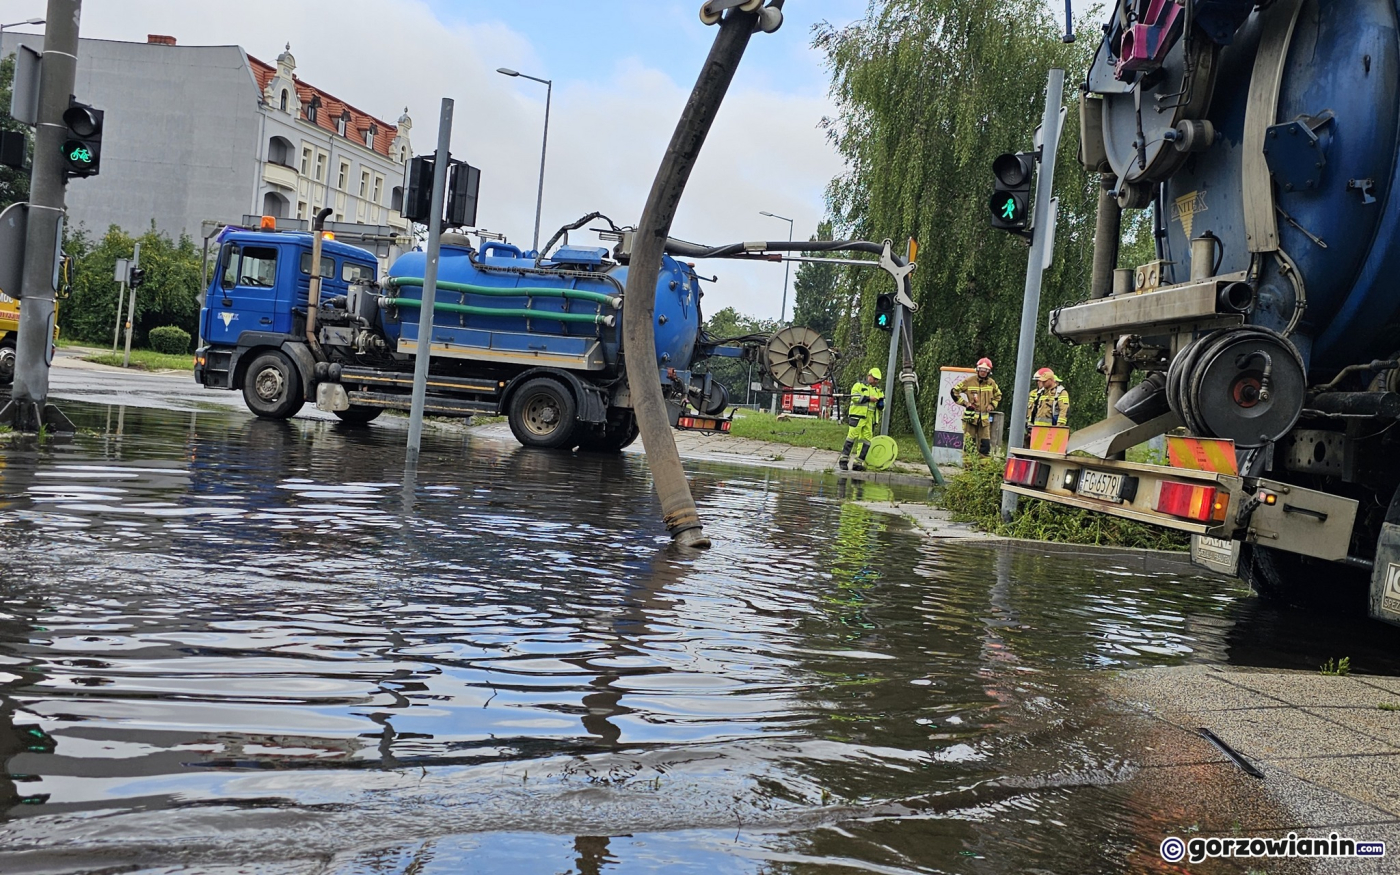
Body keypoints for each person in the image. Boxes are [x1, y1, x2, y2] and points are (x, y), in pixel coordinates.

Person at [952, 358, 1001, 462]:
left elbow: (998, 395)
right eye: (981, 370)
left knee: (985, 446)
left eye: (985, 370)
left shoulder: (991, 383)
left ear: (989, 372)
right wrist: (965, 403)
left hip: (984, 421)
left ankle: (983, 470)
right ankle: (968, 469)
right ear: (977, 370)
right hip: (971, 419)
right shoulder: (969, 381)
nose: (983, 372)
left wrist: (992, 405)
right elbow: (954, 391)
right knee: (970, 445)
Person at [839, 367, 885, 471]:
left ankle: (858, 463)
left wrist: (881, 404)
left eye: (878, 380)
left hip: (870, 419)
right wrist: (869, 399)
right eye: (875, 379)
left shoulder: (878, 391)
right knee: (851, 437)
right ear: (869, 376)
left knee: (866, 441)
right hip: (858, 417)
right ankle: (843, 461)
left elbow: (882, 406)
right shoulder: (858, 386)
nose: (876, 381)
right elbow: (855, 397)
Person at [1027, 367, 1070, 436]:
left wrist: (1058, 428)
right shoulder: (1040, 393)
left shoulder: (1061, 392)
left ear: (1051, 380)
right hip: (1037, 430)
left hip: (1051, 431)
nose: (1042, 383)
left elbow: (1064, 411)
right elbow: (1034, 410)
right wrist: (1030, 426)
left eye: (1045, 381)